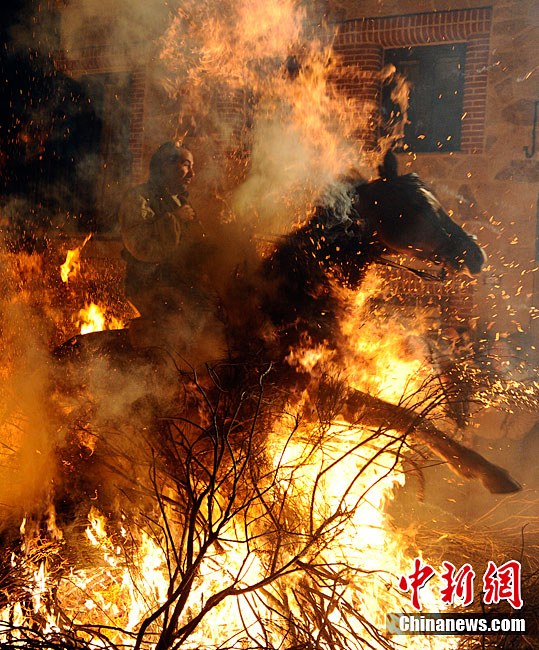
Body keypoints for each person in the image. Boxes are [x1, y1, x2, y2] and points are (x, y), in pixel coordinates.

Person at [119, 141, 213, 352]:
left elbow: (197, 247)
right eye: (187, 165)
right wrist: (174, 219)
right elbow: (139, 243)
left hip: (179, 284)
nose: (192, 174)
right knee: (170, 335)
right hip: (149, 284)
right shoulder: (139, 197)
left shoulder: (182, 203)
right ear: (165, 166)